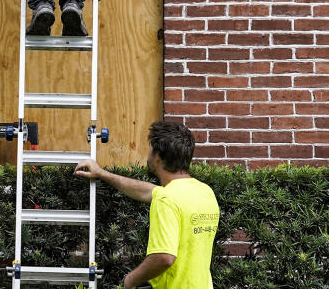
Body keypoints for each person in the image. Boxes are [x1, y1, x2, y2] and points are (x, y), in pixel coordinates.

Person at [73, 121, 220, 289]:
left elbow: (164, 257)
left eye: (150, 149)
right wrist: (101, 173)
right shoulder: (204, 192)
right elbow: (146, 190)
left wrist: (131, 279)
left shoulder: (167, 199)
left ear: (157, 156)